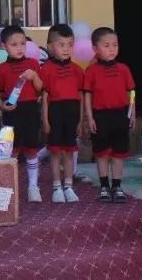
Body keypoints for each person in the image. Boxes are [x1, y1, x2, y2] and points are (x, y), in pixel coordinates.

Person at [84, 27, 135, 204]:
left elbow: (131, 92)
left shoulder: (123, 69)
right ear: (95, 48)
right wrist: (90, 117)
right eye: (106, 45)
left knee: (119, 153)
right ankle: (104, 186)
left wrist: (132, 113)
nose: (112, 49)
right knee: (102, 153)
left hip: (121, 114)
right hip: (100, 115)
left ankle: (117, 186)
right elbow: (88, 95)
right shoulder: (91, 71)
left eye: (115, 45)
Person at [0, 25, 44, 203]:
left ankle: (33, 186)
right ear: (4, 46)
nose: (19, 48)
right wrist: (2, 106)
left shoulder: (33, 64)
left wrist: (34, 77)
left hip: (31, 111)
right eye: (14, 44)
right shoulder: (1, 69)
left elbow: (40, 89)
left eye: (23, 43)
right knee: (11, 151)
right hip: (11, 114)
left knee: (32, 150)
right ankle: (10, 187)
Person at [40, 24, 82, 204]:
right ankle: (57, 187)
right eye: (61, 45)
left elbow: (80, 96)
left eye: (70, 44)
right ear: (50, 47)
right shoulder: (46, 69)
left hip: (72, 112)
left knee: (69, 152)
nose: (66, 49)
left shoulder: (77, 70)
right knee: (55, 152)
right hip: (54, 112)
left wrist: (80, 121)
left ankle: (69, 186)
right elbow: (44, 97)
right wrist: (45, 120)